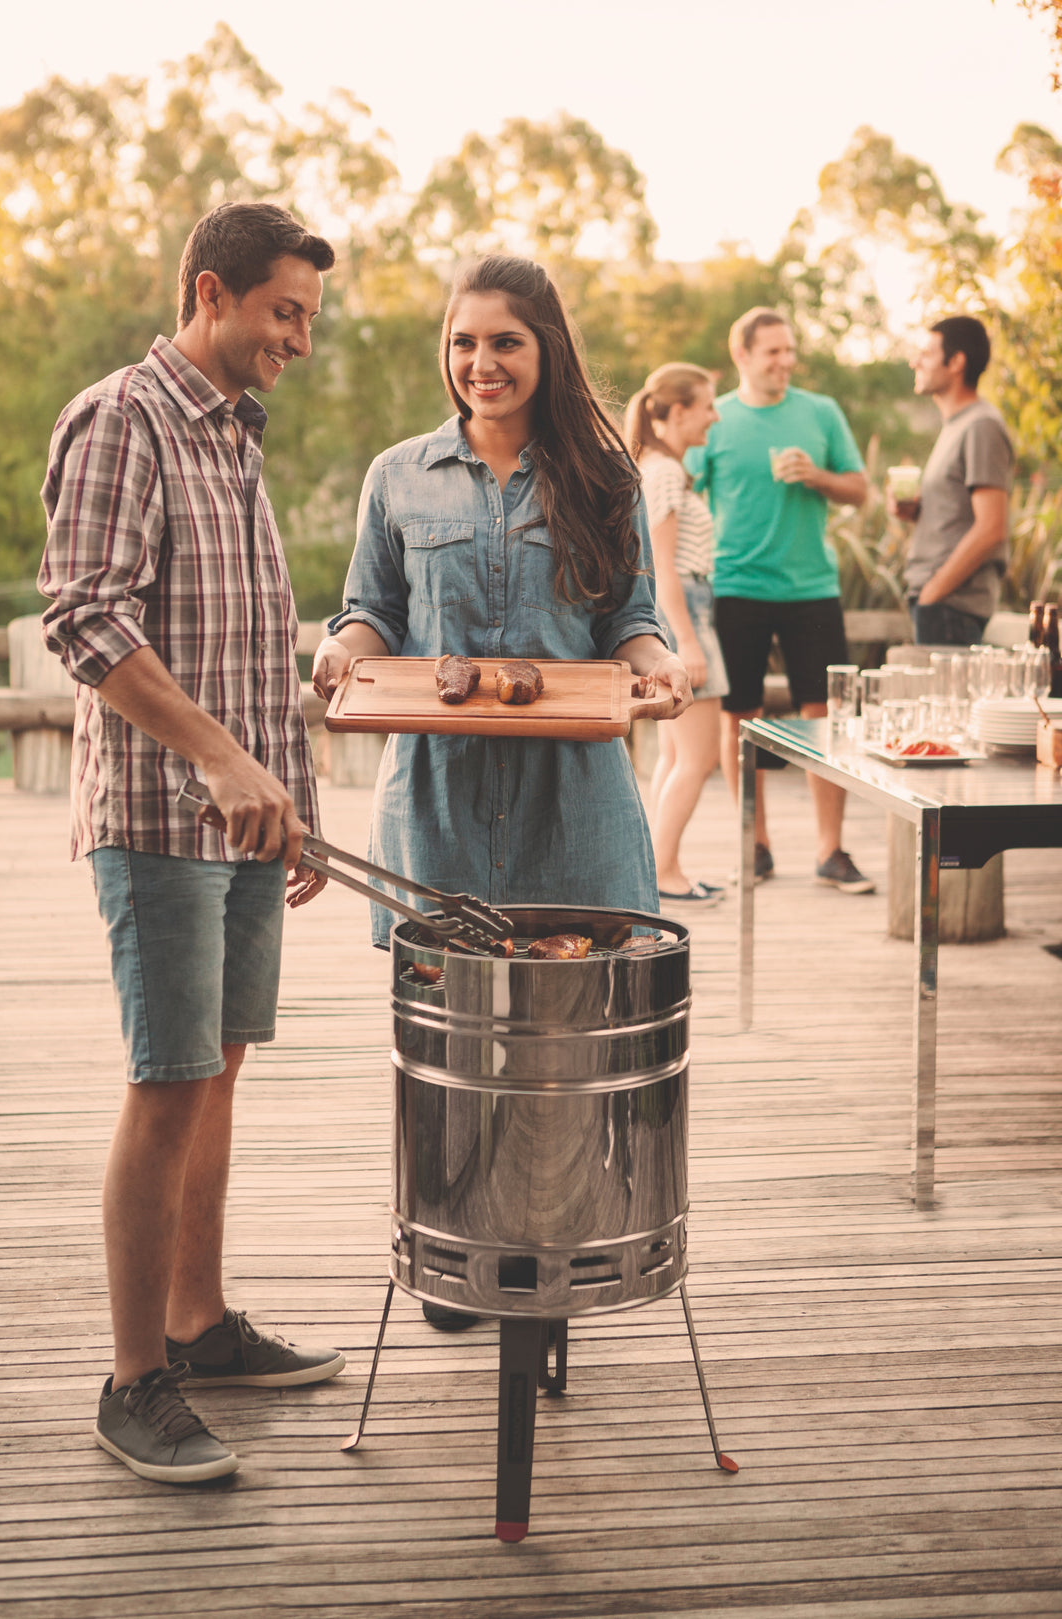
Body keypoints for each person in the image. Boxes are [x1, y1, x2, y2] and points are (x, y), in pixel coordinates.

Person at [312, 255, 691, 1325]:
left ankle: (548, 1252)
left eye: (506, 342)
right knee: (445, 1035)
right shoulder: (398, 474)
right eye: (465, 341)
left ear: (546, 350)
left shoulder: (603, 475)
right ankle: (460, 1246)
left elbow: (628, 615)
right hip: (432, 795)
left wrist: (655, 664)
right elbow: (370, 608)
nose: (481, 362)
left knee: (563, 1038)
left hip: (571, 795)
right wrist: (344, 651)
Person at [38, 202, 346, 1486]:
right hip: (163, 822)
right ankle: (132, 1381)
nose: (299, 340)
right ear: (208, 292)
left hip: (244, 824)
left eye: (309, 321)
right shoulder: (124, 416)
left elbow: (257, 638)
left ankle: (200, 1324)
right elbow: (85, 620)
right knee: (167, 1083)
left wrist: (299, 799)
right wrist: (218, 759)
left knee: (217, 1069)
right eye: (285, 313)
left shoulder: (234, 438)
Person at [684, 307, 875, 895]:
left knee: (827, 718)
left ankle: (830, 850)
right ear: (742, 355)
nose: (785, 361)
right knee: (738, 719)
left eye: (790, 350)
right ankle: (755, 847)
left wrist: (817, 476)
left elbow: (860, 490)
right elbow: (681, 495)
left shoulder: (821, 412)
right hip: (735, 588)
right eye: (773, 351)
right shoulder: (716, 421)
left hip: (812, 590)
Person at [624, 363, 728, 904]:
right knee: (697, 755)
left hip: (687, 607)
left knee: (673, 755)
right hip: (684, 611)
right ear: (678, 411)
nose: (714, 416)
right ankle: (663, 873)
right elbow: (661, 568)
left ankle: (659, 866)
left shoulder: (662, 466)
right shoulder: (663, 471)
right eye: (707, 405)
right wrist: (687, 644)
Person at [897, 317, 1013, 646]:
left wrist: (933, 593)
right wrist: (916, 511)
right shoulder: (956, 426)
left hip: (951, 605)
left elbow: (992, 527)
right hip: (940, 604)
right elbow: (959, 513)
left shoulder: (981, 425)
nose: (914, 361)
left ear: (956, 361)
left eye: (926, 353)